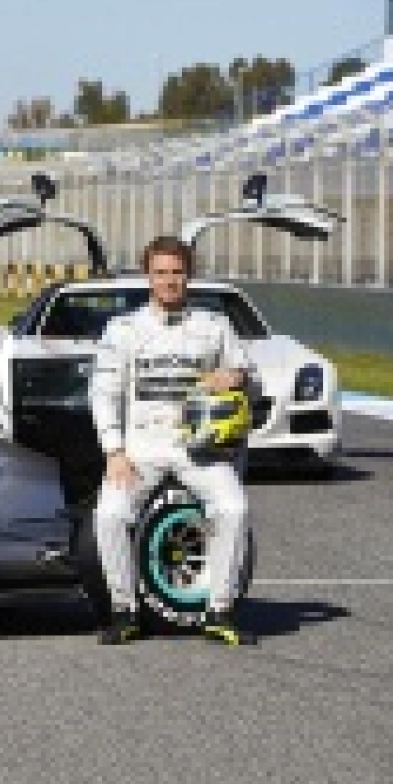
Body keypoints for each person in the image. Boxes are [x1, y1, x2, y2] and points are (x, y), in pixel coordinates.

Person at [88, 235, 257, 648]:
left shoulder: (213, 325)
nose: (169, 281)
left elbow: (246, 370)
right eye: (160, 272)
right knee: (110, 515)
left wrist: (233, 376)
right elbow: (103, 392)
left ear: (189, 275)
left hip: (198, 450)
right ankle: (124, 612)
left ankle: (220, 611)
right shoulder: (124, 328)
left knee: (233, 507)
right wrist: (114, 451)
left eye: (176, 272)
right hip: (141, 448)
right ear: (147, 277)